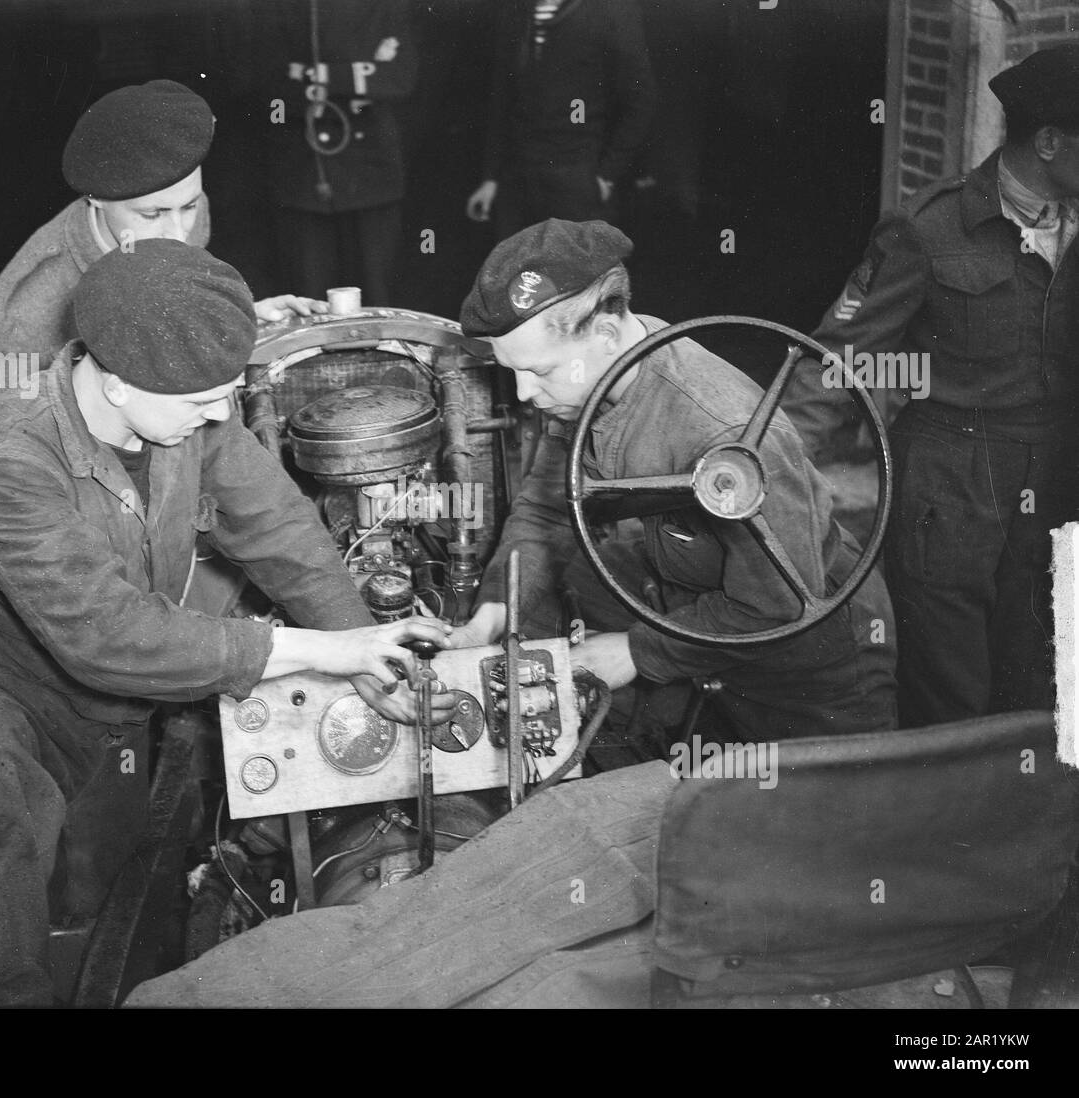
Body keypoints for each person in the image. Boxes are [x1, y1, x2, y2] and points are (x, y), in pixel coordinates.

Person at [0, 239, 455, 1006]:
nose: (220, 412)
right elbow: (106, 635)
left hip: (132, 687)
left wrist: (362, 648)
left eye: (225, 394)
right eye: (203, 401)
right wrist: (316, 651)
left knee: (125, 883)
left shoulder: (187, 410)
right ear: (119, 384)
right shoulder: (10, 459)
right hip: (10, 678)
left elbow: (279, 532)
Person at [451, 219, 898, 743]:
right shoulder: (586, 380)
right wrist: (495, 610)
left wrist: (637, 652)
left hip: (809, 668)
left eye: (540, 372)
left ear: (606, 333)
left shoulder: (723, 432)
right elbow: (549, 508)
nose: (524, 393)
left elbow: (777, 606)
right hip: (698, 623)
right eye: (514, 372)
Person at [781, 44, 1079, 727]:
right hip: (949, 485)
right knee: (949, 690)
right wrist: (769, 464)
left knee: (1043, 677)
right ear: (1051, 141)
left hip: (1058, 477)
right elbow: (842, 359)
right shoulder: (928, 229)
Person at [0, 79, 324, 497]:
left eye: (189, 206)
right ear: (95, 201)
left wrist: (228, 318)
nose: (177, 234)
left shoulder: (172, 218)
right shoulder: (24, 314)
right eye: (153, 213)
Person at [252, 0, 419, 305]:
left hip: (370, 172)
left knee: (378, 292)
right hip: (303, 174)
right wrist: (352, 81)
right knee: (308, 295)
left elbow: (399, 79)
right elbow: (265, 86)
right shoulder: (275, 9)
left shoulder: (384, 8)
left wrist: (315, 75)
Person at [465, 0, 657, 238]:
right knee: (518, 273)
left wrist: (608, 174)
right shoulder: (516, 12)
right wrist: (490, 178)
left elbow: (640, 100)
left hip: (578, 178)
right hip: (517, 180)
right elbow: (501, 101)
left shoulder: (612, 10)